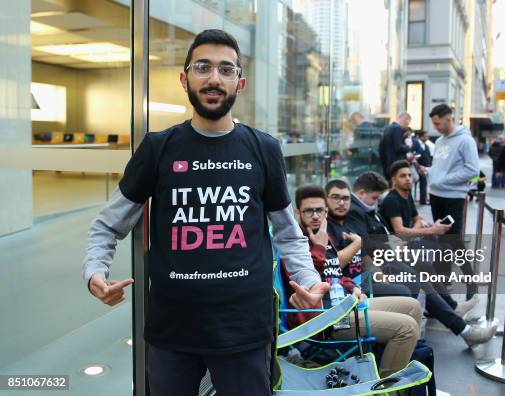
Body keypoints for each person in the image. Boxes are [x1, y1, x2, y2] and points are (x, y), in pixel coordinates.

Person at [82, 29, 329, 396]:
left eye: (226, 70)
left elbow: (288, 233)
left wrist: (308, 282)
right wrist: (95, 272)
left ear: (239, 83)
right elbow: (107, 225)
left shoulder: (264, 149)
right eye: (203, 67)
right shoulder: (157, 149)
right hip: (172, 332)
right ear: (184, 78)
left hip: (244, 331)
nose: (214, 78)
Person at [289, 184, 421, 378]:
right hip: (327, 319)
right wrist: (319, 246)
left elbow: (336, 273)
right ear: (297, 213)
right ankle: (385, 390)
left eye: (319, 210)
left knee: (413, 306)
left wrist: (354, 287)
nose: (315, 216)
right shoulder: (296, 245)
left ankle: (397, 369)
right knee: (407, 328)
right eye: (309, 211)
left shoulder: (323, 235)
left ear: (326, 211)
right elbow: (310, 277)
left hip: (345, 305)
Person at [378, 162, 497, 346]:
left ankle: (446, 304)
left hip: (402, 245)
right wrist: (430, 228)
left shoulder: (406, 195)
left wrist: (423, 227)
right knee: (427, 261)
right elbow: (400, 231)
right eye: (403, 176)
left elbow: (416, 219)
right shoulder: (392, 199)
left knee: (441, 249)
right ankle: (449, 306)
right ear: (393, 179)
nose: (408, 179)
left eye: (410, 175)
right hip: (397, 248)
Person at [427, 104, 479, 298]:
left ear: (449, 119)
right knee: (441, 240)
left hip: (453, 198)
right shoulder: (439, 141)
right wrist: (430, 172)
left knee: (453, 240)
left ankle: (471, 282)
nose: (436, 127)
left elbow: (472, 170)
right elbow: (439, 167)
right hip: (436, 196)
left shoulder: (466, 141)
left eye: (438, 123)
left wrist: (443, 179)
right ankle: (443, 282)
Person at [379, 112, 415, 180]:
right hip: (396, 164)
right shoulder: (397, 128)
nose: (407, 125)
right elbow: (398, 147)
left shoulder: (388, 128)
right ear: (404, 119)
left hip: (387, 164)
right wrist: (408, 146)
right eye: (407, 123)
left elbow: (381, 148)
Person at [413, 131, 433, 204]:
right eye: (425, 136)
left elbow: (428, 157)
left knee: (424, 183)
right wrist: (417, 166)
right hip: (417, 167)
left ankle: (423, 200)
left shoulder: (426, 146)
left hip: (425, 167)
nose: (427, 137)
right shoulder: (416, 144)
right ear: (420, 136)